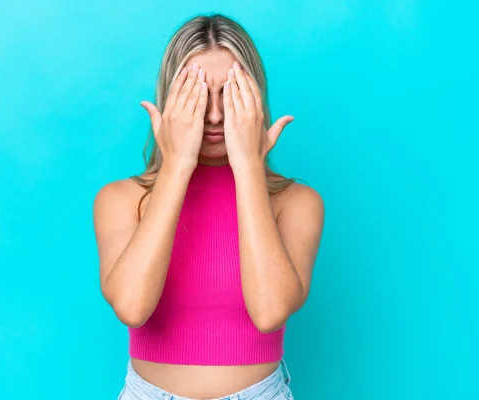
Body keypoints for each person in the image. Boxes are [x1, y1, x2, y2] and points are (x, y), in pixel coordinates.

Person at [93, 13, 325, 400]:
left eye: (230, 96)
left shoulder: (298, 202)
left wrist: (249, 165)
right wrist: (178, 163)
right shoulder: (121, 199)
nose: (215, 116)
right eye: (199, 97)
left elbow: (269, 314)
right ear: (172, 99)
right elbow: (133, 308)